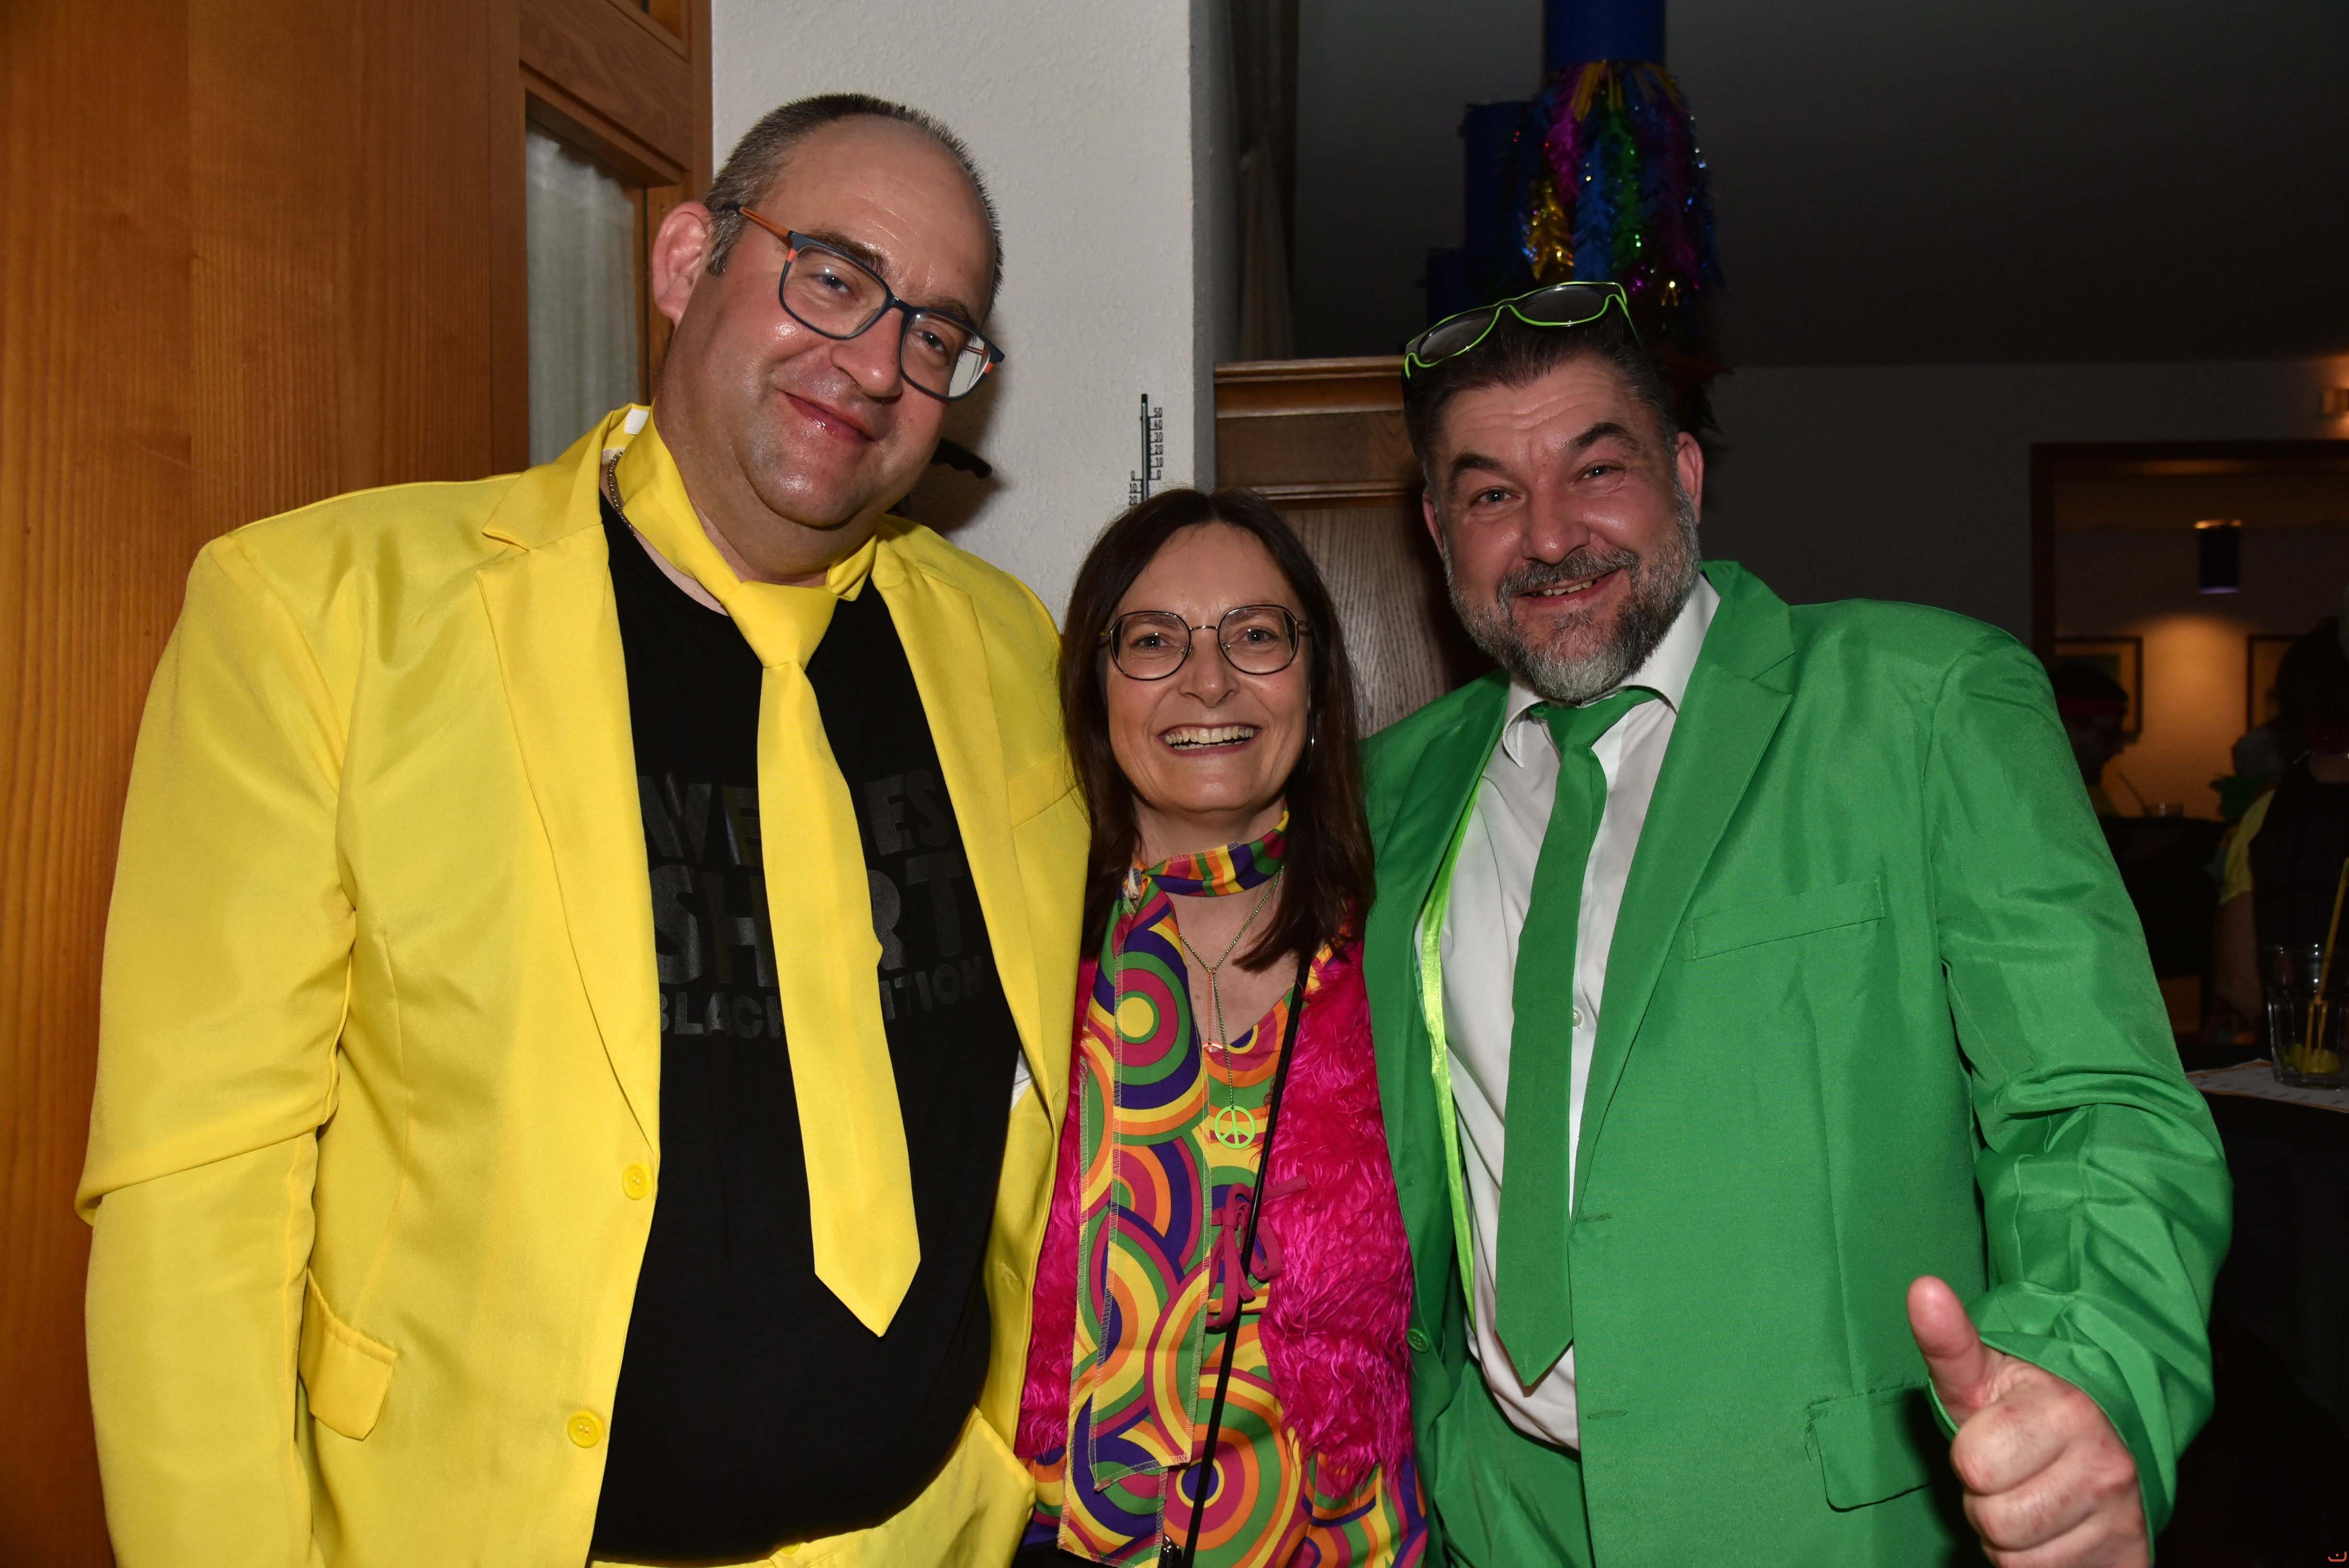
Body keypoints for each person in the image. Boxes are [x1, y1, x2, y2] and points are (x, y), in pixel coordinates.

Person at [77, 94, 1085, 1568]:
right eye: (832, 277)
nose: (876, 362)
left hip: (936, 1534)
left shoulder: (1007, 647)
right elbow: (196, 1193)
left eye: (935, 334)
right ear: (685, 263)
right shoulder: (325, 621)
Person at [1359, 282, 2230, 1566]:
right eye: (1490, 494)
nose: (1547, 534)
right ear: (1438, 532)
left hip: (1828, 1529)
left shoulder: (1923, 703)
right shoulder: (1391, 791)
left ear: (1684, 475)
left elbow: (2095, 1109)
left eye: (1595, 469)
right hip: (1493, 1522)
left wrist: (2089, 1373)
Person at [1013, 488, 1428, 1566]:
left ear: (1316, 679)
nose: (1208, 680)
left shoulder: (1410, 950)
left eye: (1255, 635)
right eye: (1154, 640)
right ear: (1094, 684)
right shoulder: (1013, 955)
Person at [2214, 617, 2349, 1025]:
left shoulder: (2266, 812)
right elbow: (2240, 983)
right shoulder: (2268, 814)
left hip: (2299, 1050)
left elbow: (2239, 984)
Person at [2050, 661, 2134, 815]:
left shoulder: (2090, 794)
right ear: (2065, 732)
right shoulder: (2046, 804)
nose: (2119, 748)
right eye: (2110, 733)